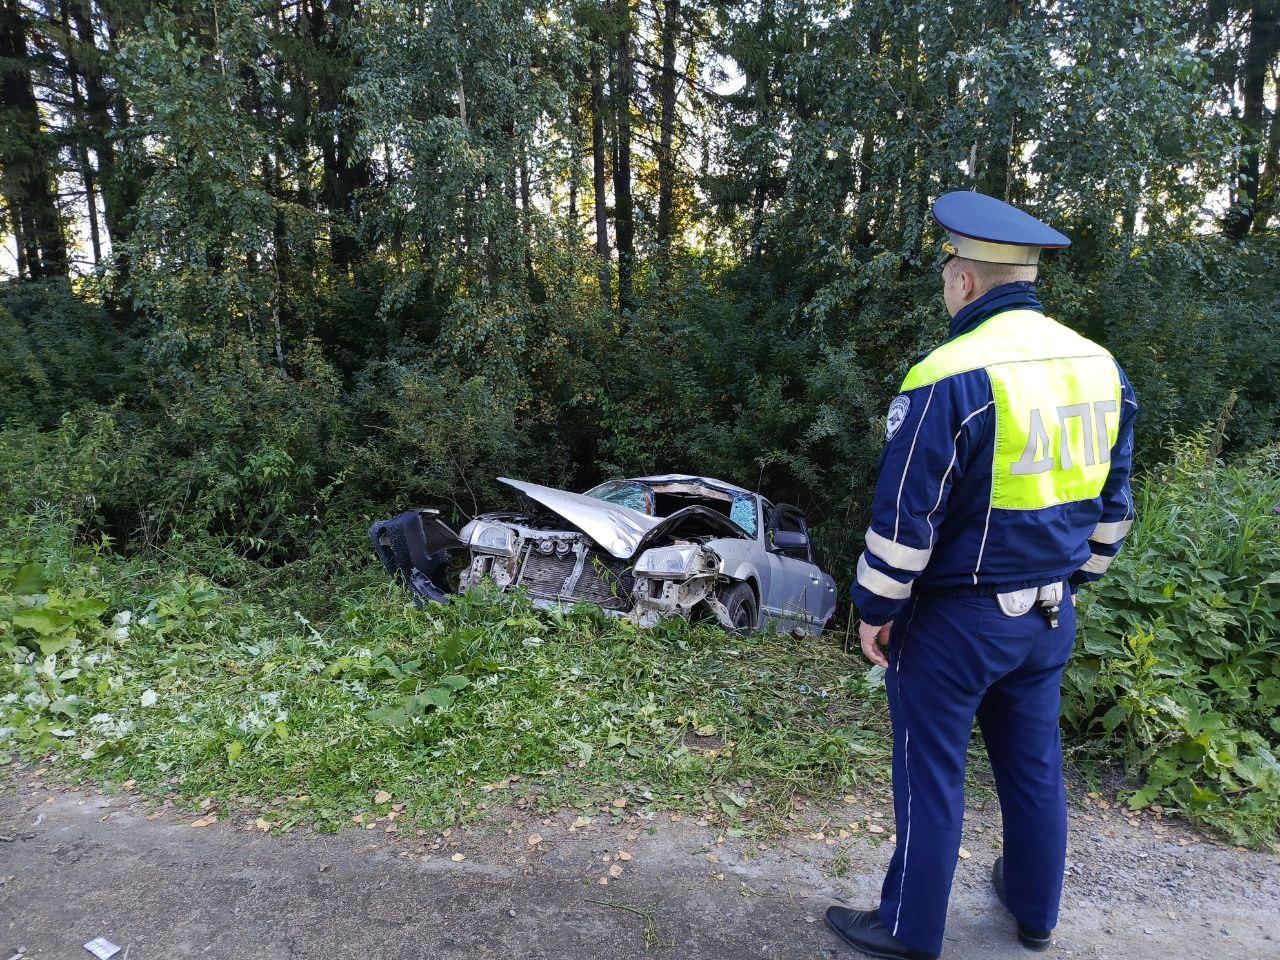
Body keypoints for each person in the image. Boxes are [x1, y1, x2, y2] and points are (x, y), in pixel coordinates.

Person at [826, 191, 1137, 960]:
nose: (945, 287)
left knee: (930, 774)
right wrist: (1077, 577)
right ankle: (1035, 912)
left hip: (958, 623)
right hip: (1049, 617)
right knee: (1033, 769)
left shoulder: (950, 372)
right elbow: (1114, 502)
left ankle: (908, 930)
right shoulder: (1099, 366)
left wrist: (875, 607)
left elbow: (905, 518)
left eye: (946, 274)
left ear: (966, 280)